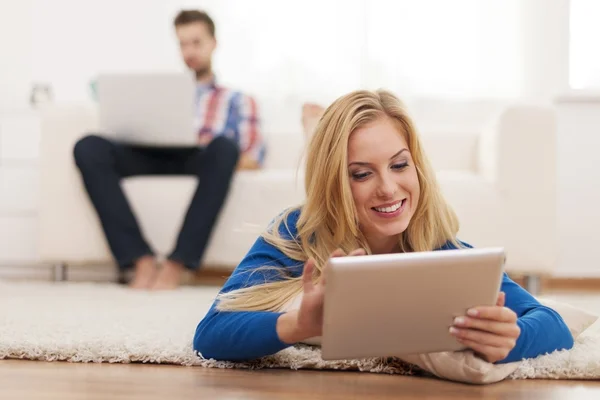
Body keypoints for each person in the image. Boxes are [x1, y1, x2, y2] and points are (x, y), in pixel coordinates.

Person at [193, 89, 574, 369]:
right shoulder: (297, 232)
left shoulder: (441, 247)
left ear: (417, 166)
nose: (389, 188)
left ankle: (321, 132)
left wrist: (513, 339)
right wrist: (297, 325)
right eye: (361, 173)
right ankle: (318, 132)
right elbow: (210, 333)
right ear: (336, 182)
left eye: (399, 165)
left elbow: (554, 325)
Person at [73, 10, 265, 290]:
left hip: (201, 159)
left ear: (214, 43)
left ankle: (177, 263)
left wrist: (221, 157)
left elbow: (253, 157)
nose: (189, 51)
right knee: (88, 147)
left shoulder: (238, 100)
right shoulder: (157, 92)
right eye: (182, 44)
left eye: (196, 42)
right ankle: (140, 259)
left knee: (224, 148)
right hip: (151, 153)